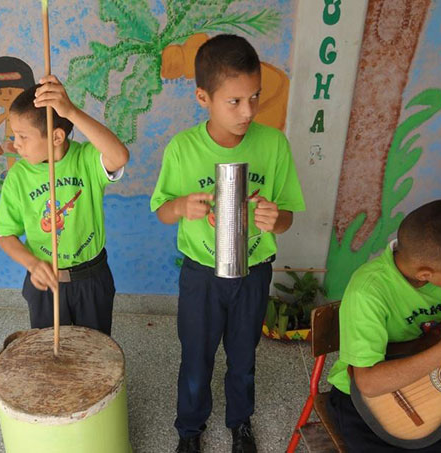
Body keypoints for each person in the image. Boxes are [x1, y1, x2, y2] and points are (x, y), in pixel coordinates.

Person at [150, 34, 305, 453]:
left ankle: (240, 423)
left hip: (253, 271)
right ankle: (189, 430)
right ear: (203, 96)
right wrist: (182, 205)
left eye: (254, 97)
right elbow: (162, 210)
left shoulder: (273, 145)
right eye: (234, 101)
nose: (248, 111)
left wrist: (277, 217)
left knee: (243, 357)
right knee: (196, 358)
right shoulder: (183, 149)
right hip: (201, 274)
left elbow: (288, 215)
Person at [326, 199, 441, 452]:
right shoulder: (368, 292)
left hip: (431, 394)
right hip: (364, 402)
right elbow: (369, 383)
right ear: (426, 274)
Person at [0, 75, 129, 335]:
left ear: (56, 137)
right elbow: (5, 234)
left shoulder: (86, 159)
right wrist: (32, 264)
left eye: (23, 136)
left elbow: (119, 156)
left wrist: (70, 112)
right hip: (45, 282)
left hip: (91, 278)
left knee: (93, 350)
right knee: (48, 355)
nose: (15, 144)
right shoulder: (18, 176)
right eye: (14, 135)